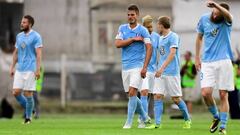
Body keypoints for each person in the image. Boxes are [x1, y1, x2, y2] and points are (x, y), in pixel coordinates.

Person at [195, 1, 234, 134]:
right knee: (205, 93)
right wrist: (197, 57)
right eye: (214, 12)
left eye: (218, 13)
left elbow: (229, 16)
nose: (215, 15)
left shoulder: (227, 21)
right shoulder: (204, 18)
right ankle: (216, 116)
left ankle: (223, 127)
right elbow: (199, 37)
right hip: (207, 62)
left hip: (224, 60)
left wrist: (217, 6)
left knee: (223, 94)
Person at [146, 16, 191, 129]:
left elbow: (172, 54)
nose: (157, 27)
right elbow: (160, 55)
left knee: (176, 99)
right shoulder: (161, 38)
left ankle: (187, 119)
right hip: (160, 73)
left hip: (172, 72)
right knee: (157, 96)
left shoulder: (173, 36)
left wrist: (162, 68)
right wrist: (157, 67)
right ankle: (157, 124)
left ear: (161, 25)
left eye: (158, 24)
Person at [115, 4, 152, 129]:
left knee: (132, 92)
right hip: (125, 66)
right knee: (131, 95)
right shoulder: (122, 28)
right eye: (128, 15)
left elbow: (149, 48)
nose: (130, 17)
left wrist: (145, 67)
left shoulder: (143, 30)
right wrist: (132, 40)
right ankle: (145, 117)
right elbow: (117, 44)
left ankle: (128, 122)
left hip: (137, 65)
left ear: (137, 15)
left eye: (132, 14)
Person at [10, 15, 43, 124]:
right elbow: (16, 52)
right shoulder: (19, 36)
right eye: (21, 22)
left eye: (24, 22)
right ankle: (31, 109)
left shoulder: (36, 36)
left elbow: (38, 54)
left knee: (28, 93)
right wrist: (12, 67)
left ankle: (28, 118)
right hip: (20, 69)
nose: (21, 24)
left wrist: (38, 69)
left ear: (30, 24)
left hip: (30, 68)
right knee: (16, 92)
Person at [138, 15, 160, 128]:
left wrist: (160, 68)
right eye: (148, 27)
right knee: (144, 92)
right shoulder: (140, 36)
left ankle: (142, 116)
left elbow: (160, 53)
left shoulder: (157, 37)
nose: (150, 29)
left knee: (150, 94)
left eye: (151, 26)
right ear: (144, 26)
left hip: (153, 70)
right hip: (143, 69)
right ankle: (142, 120)